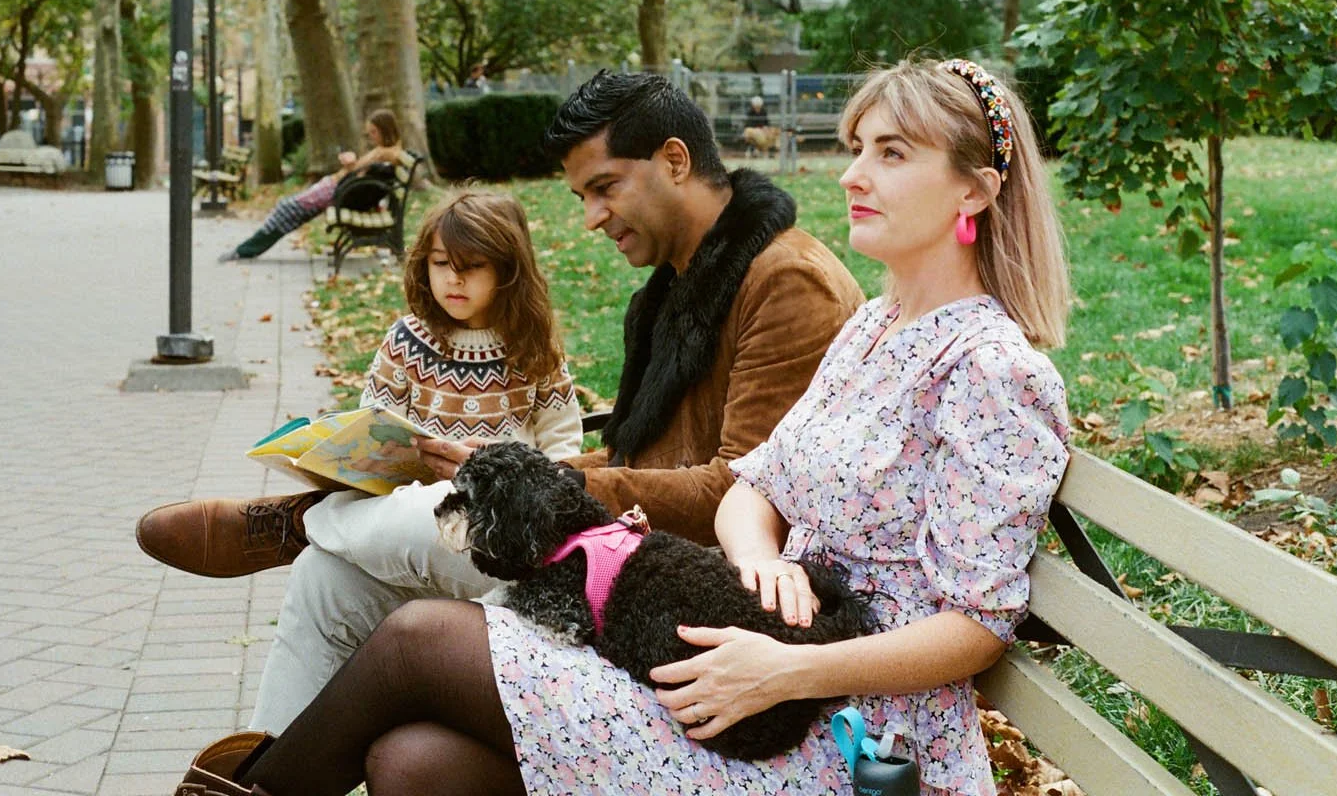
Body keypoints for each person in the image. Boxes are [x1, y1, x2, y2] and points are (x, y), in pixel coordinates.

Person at [168, 58, 1071, 796]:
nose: (852, 173)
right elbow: (754, 483)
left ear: (976, 193)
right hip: (747, 650)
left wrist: (787, 670)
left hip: (841, 731)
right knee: (412, 763)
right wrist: (762, 559)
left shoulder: (994, 372)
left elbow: (979, 625)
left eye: (892, 153)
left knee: (415, 643)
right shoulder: (878, 328)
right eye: (855, 147)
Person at [140, 70, 864, 736]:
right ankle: (255, 772)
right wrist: (498, 464)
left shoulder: (786, 285)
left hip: (680, 598)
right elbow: (634, 460)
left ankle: (298, 523)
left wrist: (544, 486)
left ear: (675, 160)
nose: (588, 217)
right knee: (328, 582)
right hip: (617, 557)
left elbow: (744, 491)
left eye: (604, 187)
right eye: (581, 195)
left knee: (444, 521)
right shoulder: (673, 289)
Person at [218, 109, 412, 262]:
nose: (371, 136)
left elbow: (364, 170)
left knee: (286, 210)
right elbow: (360, 170)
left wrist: (355, 164)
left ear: (386, 130)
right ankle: (245, 249)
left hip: (337, 191)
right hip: (336, 186)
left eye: (374, 132)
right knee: (285, 209)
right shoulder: (383, 151)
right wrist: (352, 164)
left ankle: (245, 250)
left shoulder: (387, 153)